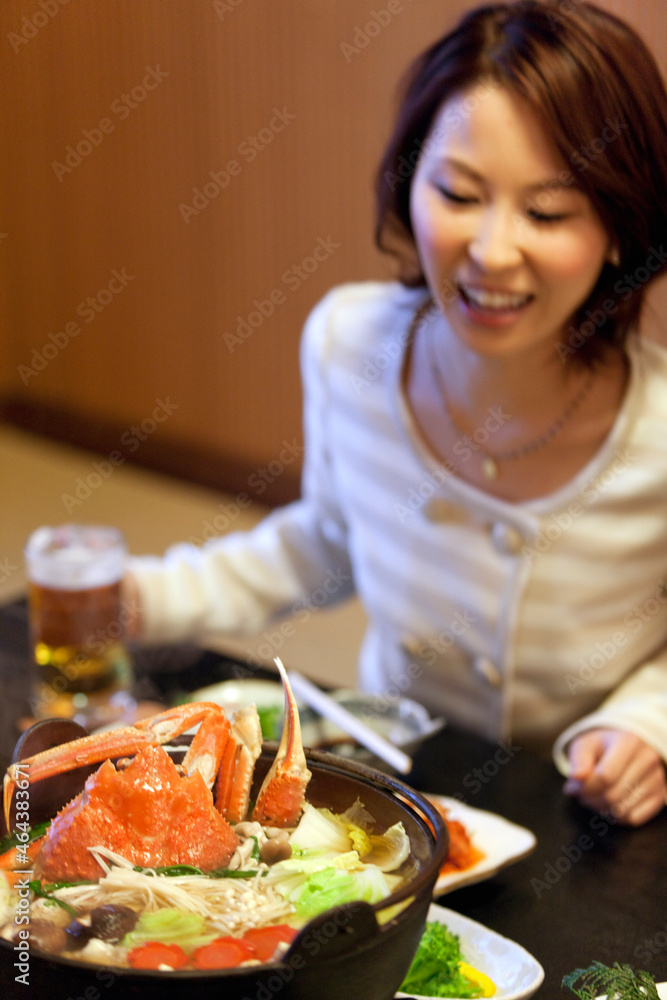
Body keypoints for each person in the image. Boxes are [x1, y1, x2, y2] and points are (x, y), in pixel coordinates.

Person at [126, 0, 667, 826]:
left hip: (586, 818)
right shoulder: (352, 345)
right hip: (395, 797)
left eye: (547, 213)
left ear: (620, 229)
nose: (491, 251)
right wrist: (138, 598)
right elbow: (327, 543)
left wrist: (643, 723)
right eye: (457, 192)